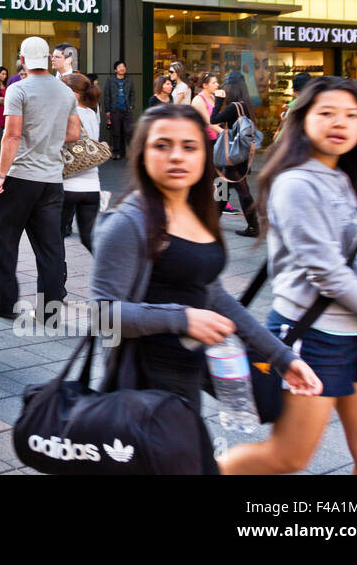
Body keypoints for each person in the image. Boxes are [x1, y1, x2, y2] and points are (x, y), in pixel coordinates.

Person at [90, 104, 321, 458]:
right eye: (162, 145)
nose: (176, 156)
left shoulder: (196, 213)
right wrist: (182, 318)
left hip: (185, 383)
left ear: (204, 154)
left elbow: (214, 295)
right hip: (142, 389)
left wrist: (282, 357)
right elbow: (103, 315)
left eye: (189, 146)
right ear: (142, 153)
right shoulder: (127, 222)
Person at [218, 77, 357, 475]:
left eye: (351, 115)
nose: (339, 122)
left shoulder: (353, 179)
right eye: (326, 112)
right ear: (303, 120)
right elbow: (328, 274)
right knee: (287, 457)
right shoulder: (295, 183)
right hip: (311, 337)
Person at [0, 37, 81, 324]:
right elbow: (74, 133)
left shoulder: (19, 88)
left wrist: (0, 175)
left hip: (18, 178)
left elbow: (12, 135)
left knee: (3, 241)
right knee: (50, 248)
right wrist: (48, 135)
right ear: (49, 58)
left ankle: (4, 303)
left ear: (23, 60)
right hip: (51, 180)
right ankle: (49, 312)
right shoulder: (65, 91)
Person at [211, 74, 261, 237]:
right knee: (222, 185)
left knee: (242, 190)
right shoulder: (245, 105)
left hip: (232, 155)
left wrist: (218, 102)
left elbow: (213, 119)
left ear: (231, 88)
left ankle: (253, 227)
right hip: (239, 154)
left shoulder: (233, 106)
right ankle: (212, 222)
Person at [60, 73, 102, 253]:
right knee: (89, 238)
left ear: (74, 94)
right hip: (92, 186)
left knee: (54, 237)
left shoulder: (68, 114)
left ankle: (57, 270)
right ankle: (111, 267)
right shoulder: (92, 113)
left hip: (68, 184)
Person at [103, 60, 134, 160]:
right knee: (116, 132)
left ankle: (132, 153)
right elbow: (106, 95)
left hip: (127, 109)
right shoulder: (110, 80)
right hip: (115, 109)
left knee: (129, 131)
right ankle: (116, 152)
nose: (122, 68)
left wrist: (131, 105)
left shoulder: (129, 79)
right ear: (115, 70)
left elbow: (132, 93)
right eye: (119, 67)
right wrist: (107, 110)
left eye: (123, 66)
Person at [191, 73, 223, 143]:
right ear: (205, 85)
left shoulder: (213, 97)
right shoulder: (199, 100)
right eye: (214, 83)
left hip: (216, 137)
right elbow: (209, 123)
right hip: (206, 140)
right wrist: (225, 133)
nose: (217, 84)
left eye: (217, 82)